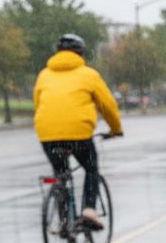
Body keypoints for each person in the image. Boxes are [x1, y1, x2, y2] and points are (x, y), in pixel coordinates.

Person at [33, 33, 123, 229]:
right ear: (81, 53)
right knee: (91, 168)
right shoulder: (88, 74)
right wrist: (115, 129)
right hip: (78, 133)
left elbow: (38, 103)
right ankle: (89, 211)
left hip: (47, 134)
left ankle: (63, 220)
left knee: (60, 173)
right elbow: (108, 106)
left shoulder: (44, 75)